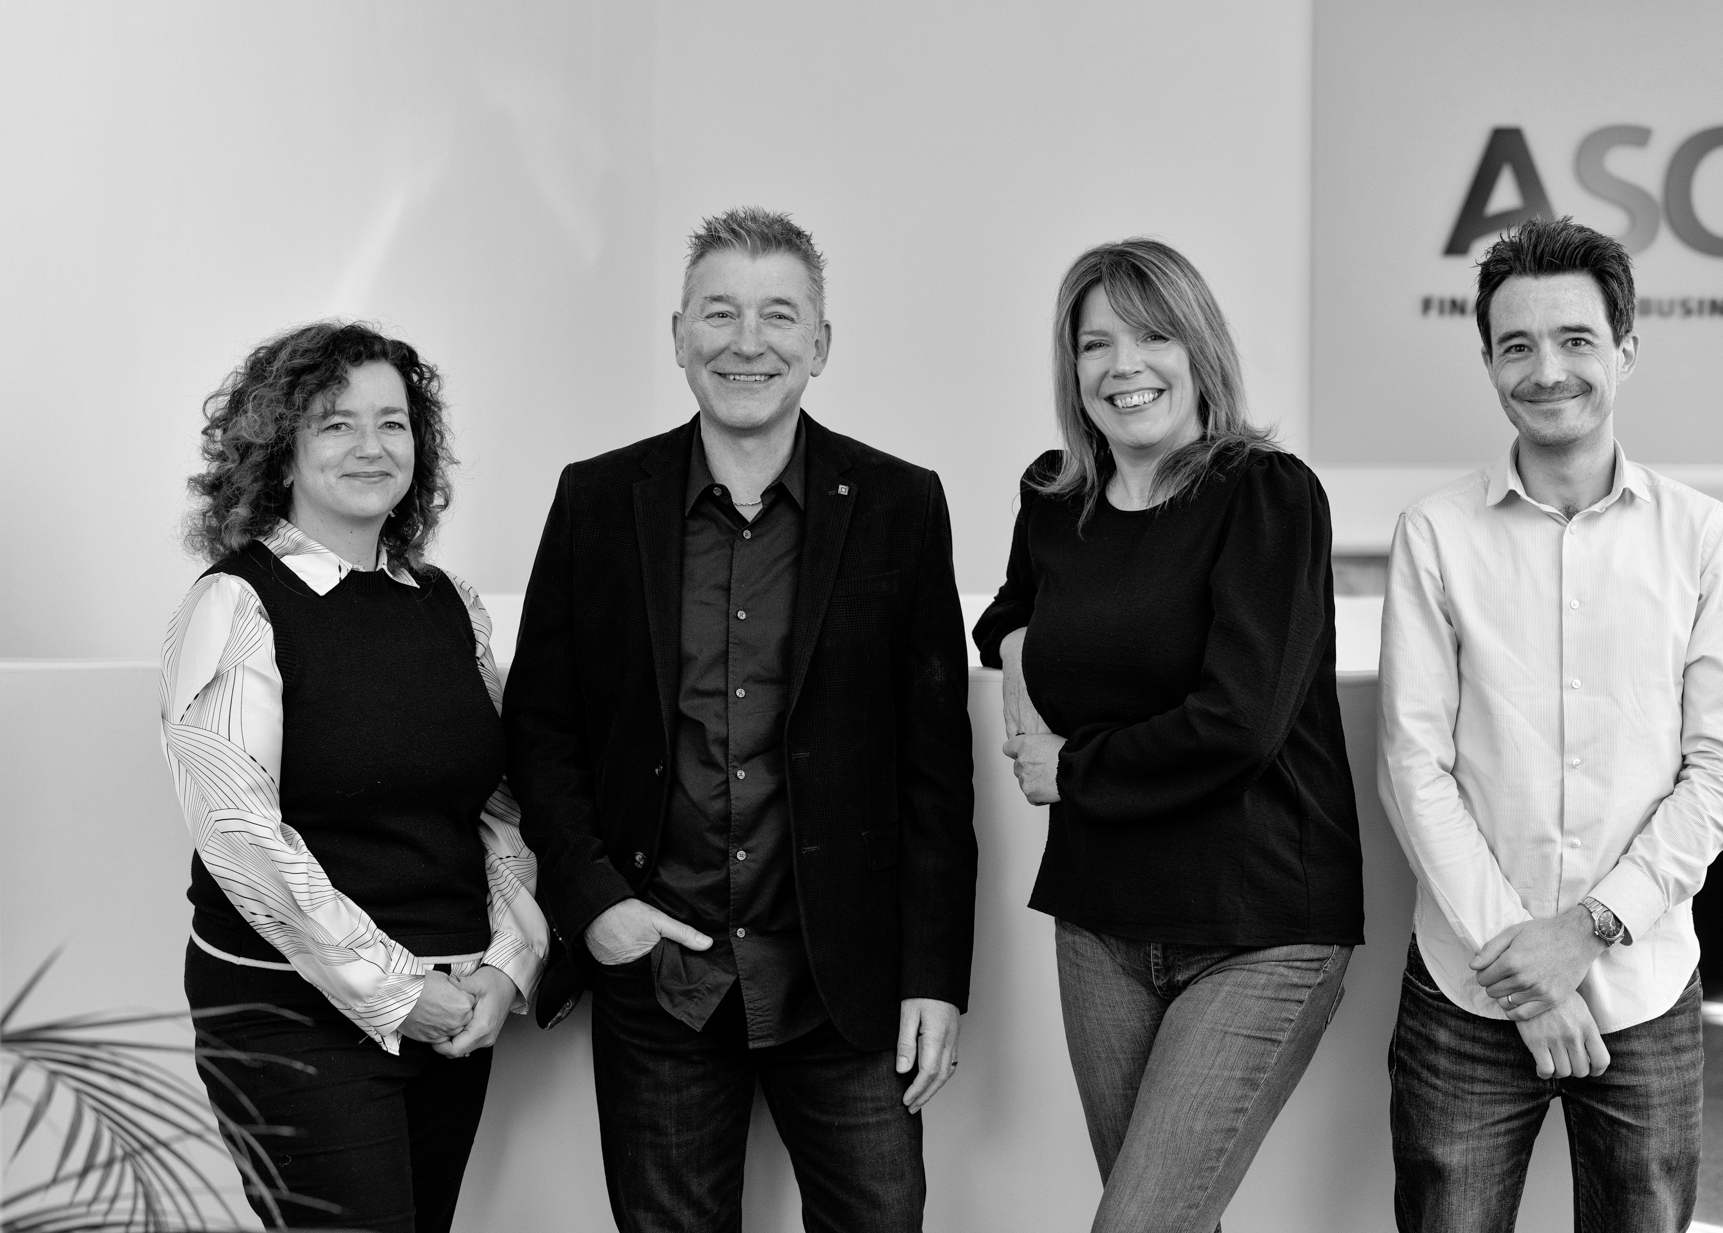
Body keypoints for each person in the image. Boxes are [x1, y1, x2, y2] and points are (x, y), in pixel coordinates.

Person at [503, 207, 976, 1232]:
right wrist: (597, 906)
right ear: (678, 335)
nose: (746, 342)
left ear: (820, 345)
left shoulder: (901, 504)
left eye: (777, 316)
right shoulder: (595, 502)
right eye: (719, 313)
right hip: (662, 982)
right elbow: (542, 730)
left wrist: (937, 976)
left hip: (845, 985)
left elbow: (935, 769)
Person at [1378, 216, 1723, 1232]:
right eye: (1517, 345)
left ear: (1625, 351)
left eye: (1576, 339)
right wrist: (1524, 965)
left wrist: (1585, 931)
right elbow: (1413, 768)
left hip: (1643, 987)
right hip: (1468, 992)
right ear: (1489, 362)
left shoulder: (1703, 536)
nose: (1546, 369)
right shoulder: (1435, 534)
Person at [973, 238, 1365, 1233]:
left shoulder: (1267, 495)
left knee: (1139, 1225)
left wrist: (1071, 764)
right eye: (1094, 343)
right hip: (1100, 920)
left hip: (1259, 925)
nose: (1123, 366)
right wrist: (1019, 666)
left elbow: (1239, 724)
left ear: (1198, 349)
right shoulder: (1054, 497)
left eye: (1151, 336)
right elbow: (1009, 616)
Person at [160, 322, 547, 1233]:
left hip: (453, 1010)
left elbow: (499, 808)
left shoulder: (448, 604)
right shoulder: (236, 604)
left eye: (394, 423)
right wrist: (400, 993)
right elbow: (242, 841)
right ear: (278, 450)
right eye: (335, 424)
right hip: (292, 1020)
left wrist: (506, 967)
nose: (372, 447)